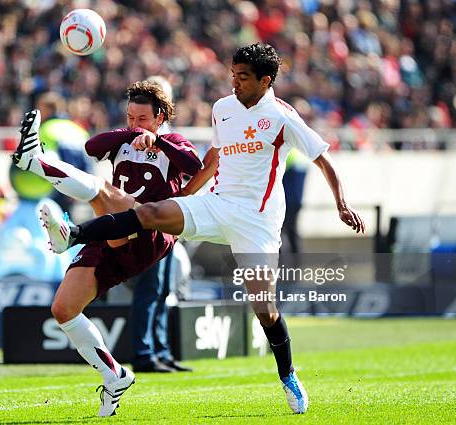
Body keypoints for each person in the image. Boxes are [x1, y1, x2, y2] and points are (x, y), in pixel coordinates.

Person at [48, 44, 366, 415]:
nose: (234, 82)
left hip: (257, 221)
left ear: (266, 81)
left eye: (243, 77)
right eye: (233, 74)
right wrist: (184, 197)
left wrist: (342, 203)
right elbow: (213, 159)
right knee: (151, 212)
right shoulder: (223, 109)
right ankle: (74, 234)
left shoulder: (282, 117)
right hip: (215, 204)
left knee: (264, 308)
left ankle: (288, 375)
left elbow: (323, 161)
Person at [11, 81, 202, 417]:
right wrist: (129, 135)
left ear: (160, 118)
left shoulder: (173, 142)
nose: (134, 124)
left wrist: (157, 141)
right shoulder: (126, 139)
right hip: (111, 230)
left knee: (101, 190)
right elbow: (92, 146)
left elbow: (193, 166)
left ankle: (37, 165)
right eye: (130, 116)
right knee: (64, 310)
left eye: (142, 118)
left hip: (150, 233)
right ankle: (113, 376)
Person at [129, 75, 192, 373]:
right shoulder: (138, 138)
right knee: (149, 287)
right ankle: (144, 352)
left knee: (162, 288)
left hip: (167, 224)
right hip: (147, 222)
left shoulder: (168, 139)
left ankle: (160, 350)